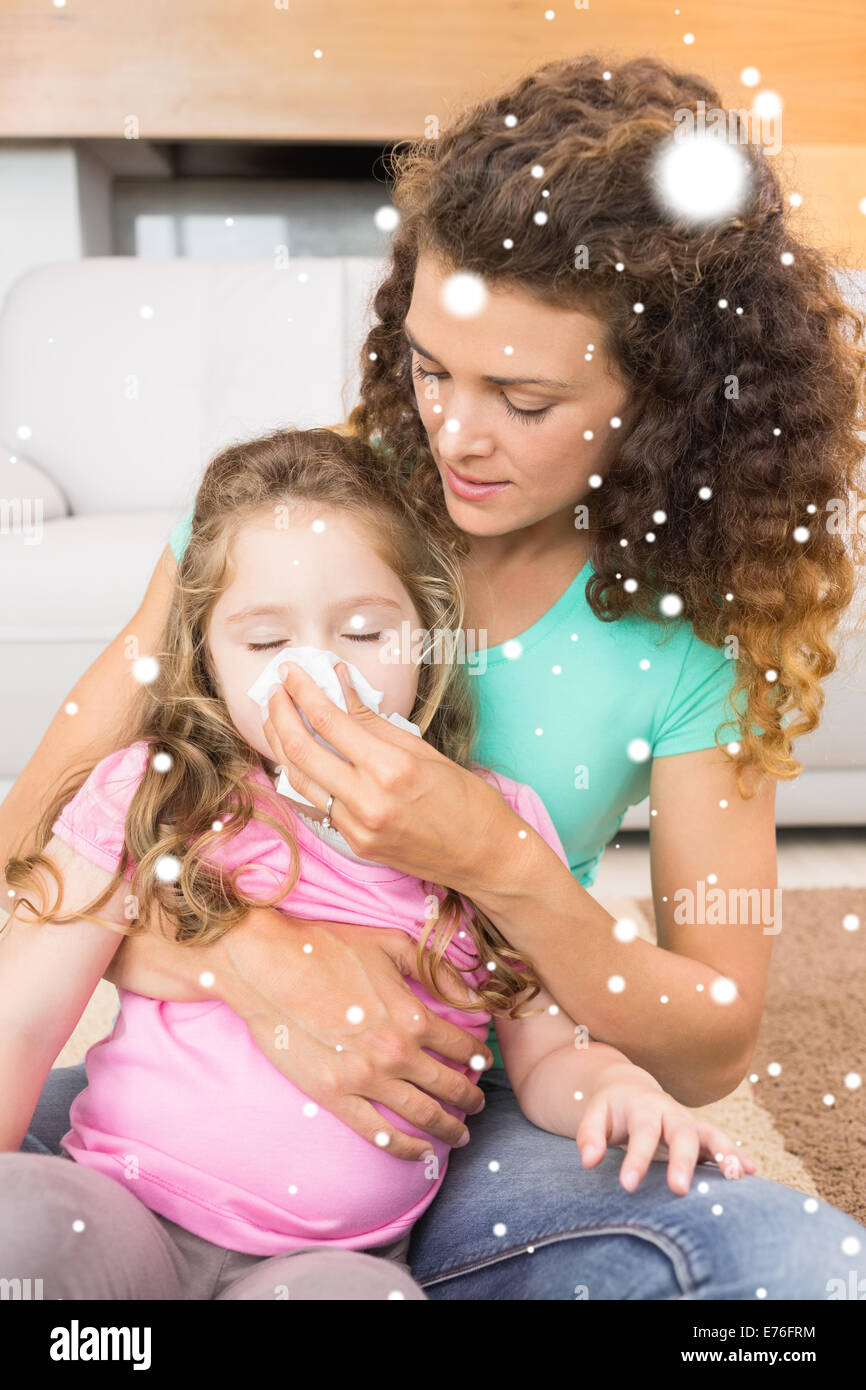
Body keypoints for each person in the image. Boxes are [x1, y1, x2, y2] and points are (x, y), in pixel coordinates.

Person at [2, 53, 864, 1299]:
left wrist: (494, 862)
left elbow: (712, 1034)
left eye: (520, 397)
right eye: (430, 365)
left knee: (802, 1276)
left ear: (662, 400)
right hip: (192, 1084)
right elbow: (48, 830)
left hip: (467, 1108)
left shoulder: (690, 642)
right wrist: (238, 955)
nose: (453, 432)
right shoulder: (305, 515)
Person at [0, 426, 757, 1300]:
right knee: (22, 1219)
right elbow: (22, 1016)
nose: (315, 670)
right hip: (124, 1211)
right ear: (203, 655)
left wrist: (615, 1088)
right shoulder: (150, 791)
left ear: (428, 635)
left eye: (364, 630)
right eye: (261, 641)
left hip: (328, 1269)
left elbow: (547, 1056)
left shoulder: (499, 822)